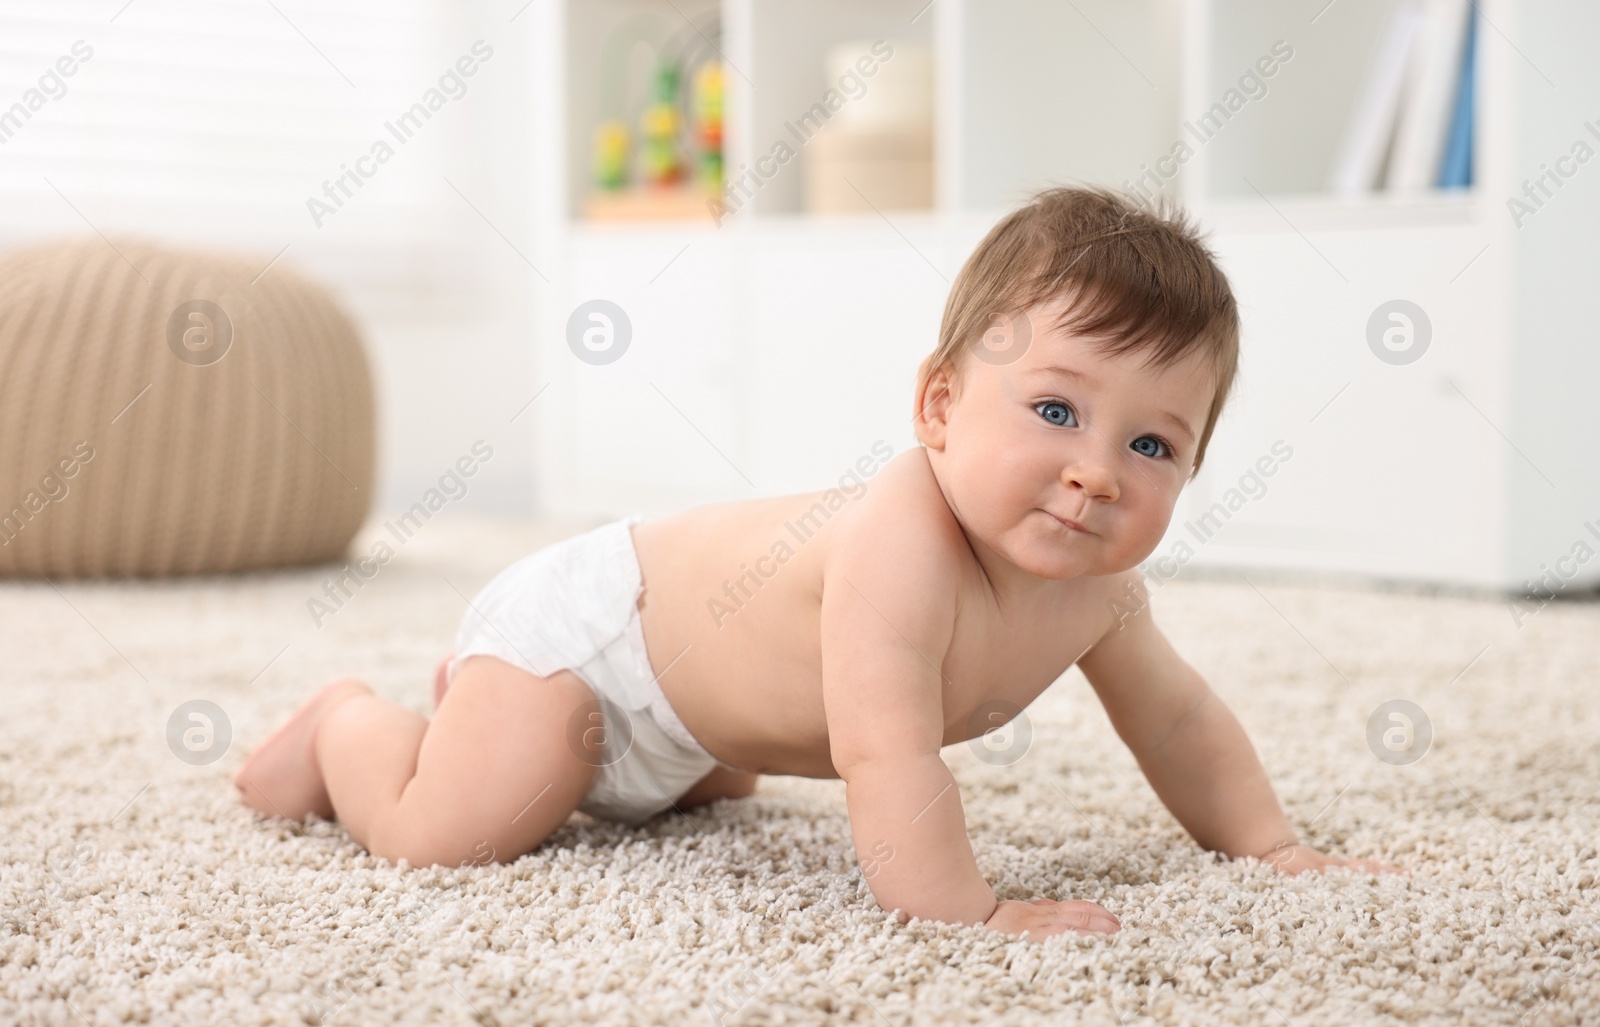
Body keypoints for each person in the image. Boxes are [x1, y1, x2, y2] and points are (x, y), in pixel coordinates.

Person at [234, 185, 1402, 941]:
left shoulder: (1100, 592)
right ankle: (351, 728)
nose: (1096, 470)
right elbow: (880, 745)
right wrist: (964, 912)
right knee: (458, 828)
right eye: (1054, 409)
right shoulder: (902, 544)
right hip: (594, 645)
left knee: (697, 787)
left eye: (1152, 443)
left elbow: (1181, 721)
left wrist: (1272, 845)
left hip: (690, 726)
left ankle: (646, 760)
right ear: (939, 405)